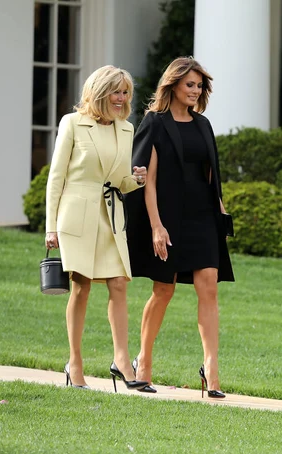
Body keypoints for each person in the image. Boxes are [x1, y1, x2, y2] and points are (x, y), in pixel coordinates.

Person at [126, 57, 234, 397]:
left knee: (209, 289)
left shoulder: (203, 125)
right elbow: (149, 181)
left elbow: (210, 174)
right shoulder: (154, 123)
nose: (196, 90)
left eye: (200, 86)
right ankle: (143, 362)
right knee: (164, 289)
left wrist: (221, 213)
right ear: (172, 85)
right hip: (169, 218)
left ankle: (212, 371)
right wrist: (156, 226)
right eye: (190, 84)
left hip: (203, 218)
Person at [45, 65, 149, 392]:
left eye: (125, 93)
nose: (122, 98)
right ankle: (74, 363)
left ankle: (121, 360)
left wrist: (136, 181)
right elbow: (56, 177)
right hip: (75, 215)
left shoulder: (126, 128)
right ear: (100, 92)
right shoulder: (73, 123)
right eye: (116, 92)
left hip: (111, 215)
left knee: (119, 283)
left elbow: (117, 180)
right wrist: (51, 227)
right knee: (82, 286)